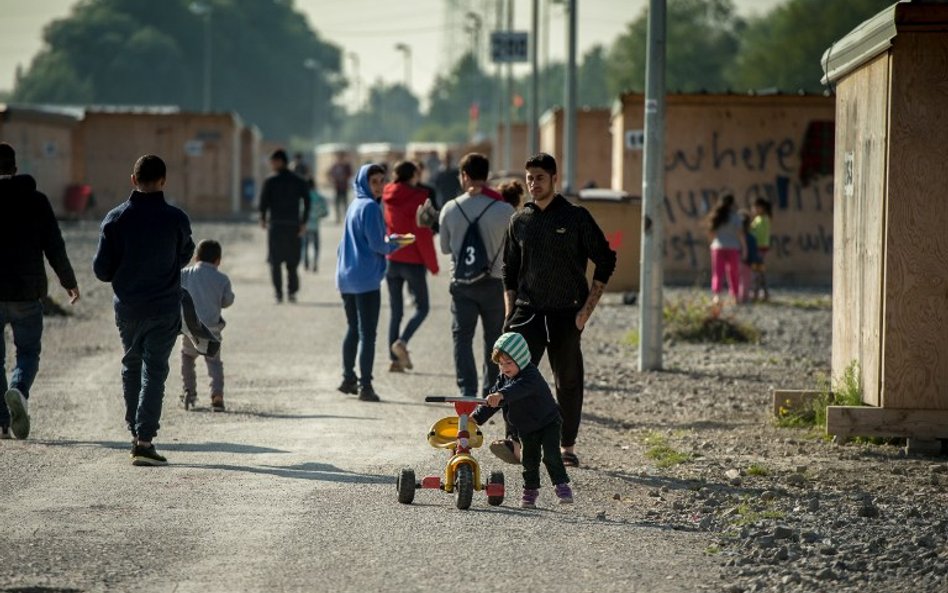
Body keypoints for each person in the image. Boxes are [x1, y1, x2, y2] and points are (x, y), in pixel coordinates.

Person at [502, 152, 617, 468]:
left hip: (567, 313)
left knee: (567, 380)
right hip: (528, 311)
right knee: (514, 371)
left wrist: (586, 312)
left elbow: (606, 259)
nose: (533, 184)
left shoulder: (576, 217)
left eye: (539, 177)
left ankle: (567, 446)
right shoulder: (519, 220)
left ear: (554, 178)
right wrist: (510, 313)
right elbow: (509, 271)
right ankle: (513, 438)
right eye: (529, 178)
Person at [93, 154, 194, 466]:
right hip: (164, 307)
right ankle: (145, 440)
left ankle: (133, 433)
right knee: (155, 370)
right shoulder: (176, 218)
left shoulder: (115, 219)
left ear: (133, 180)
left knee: (132, 365)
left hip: (128, 309)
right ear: (163, 181)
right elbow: (185, 254)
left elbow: (101, 270)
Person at [0, 142, 80, 440]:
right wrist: (68, 280)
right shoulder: (36, 201)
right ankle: (18, 389)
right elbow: (54, 245)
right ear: (15, 168)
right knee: (28, 352)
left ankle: (2, 421)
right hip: (27, 291)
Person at [438, 153, 514, 401]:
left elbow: (446, 248)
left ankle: (467, 390)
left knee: (462, 337)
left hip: (461, 285)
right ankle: (490, 392)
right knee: (494, 339)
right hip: (494, 283)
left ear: (464, 175)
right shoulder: (505, 209)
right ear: (487, 175)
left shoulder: (450, 208)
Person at [336, 163, 413, 402]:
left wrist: (389, 239)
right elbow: (377, 245)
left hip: (347, 277)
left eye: (382, 180)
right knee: (368, 333)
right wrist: (396, 243)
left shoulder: (355, 204)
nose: (380, 186)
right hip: (366, 279)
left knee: (353, 329)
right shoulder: (370, 207)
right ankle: (365, 386)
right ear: (364, 183)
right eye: (375, 182)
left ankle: (348, 378)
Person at [471, 332, 573, 508]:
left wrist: (501, 395)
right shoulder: (504, 378)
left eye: (509, 363)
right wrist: (477, 417)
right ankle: (530, 492)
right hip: (526, 427)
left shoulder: (530, 375)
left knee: (551, 455)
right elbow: (493, 400)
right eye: (501, 364)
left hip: (548, 422)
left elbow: (517, 390)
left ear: (521, 359)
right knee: (529, 460)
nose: (505, 368)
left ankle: (562, 486)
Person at [382, 161, 438, 373]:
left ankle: (394, 361)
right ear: (413, 174)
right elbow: (423, 235)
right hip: (414, 261)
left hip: (393, 259)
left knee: (396, 312)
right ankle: (402, 342)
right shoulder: (418, 198)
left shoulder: (387, 196)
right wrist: (432, 265)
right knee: (422, 308)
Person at [180, 239, 235, 412]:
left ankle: (189, 391)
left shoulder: (185, 274)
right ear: (218, 260)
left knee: (187, 358)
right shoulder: (222, 279)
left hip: (190, 329)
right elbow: (227, 301)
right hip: (212, 330)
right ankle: (217, 396)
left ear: (196, 257)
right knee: (214, 363)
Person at [259, 149, 310, 304]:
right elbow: (308, 201)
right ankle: (292, 292)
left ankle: (279, 293)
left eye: (273, 162)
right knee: (292, 261)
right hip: (293, 225)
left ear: (280, 161)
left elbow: (263, 202)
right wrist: (304, 222)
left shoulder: (270, 181)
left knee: (276, 262)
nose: (272, 165)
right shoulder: (299, 180)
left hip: (276, 225)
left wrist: (263, 218)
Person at [705, 193, 746, 306]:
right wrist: (745, 248)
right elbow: (741, 234)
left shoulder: (717, 215)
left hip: (718, 247)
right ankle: (735, 296)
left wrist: (713, 243)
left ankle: (717, 296)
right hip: (733, 247)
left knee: (718, 273)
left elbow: (711, 232)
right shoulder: (736, 217)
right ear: (732, 203)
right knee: (733, 273)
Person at [302, 180, 329, 272]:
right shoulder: (320, 198)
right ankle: (315, 264)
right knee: (316, 246)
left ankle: (305, 263)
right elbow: (325, 212)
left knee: (305, 245)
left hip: (304, 226)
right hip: (315, 225)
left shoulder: (302, 198)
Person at [750, 197, 772, 301]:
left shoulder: (764, 219)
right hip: (759, 248)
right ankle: (765, 293)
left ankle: (756, 293)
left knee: (757, 272)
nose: (754, 209)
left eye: (756, 207)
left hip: (760, 248)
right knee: (760, 272)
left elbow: (759, 234)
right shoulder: (759, 219)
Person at [738, 211, 761, 304]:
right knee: (746, 280)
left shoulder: (737, 237)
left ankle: (739, 296)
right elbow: (754, 251)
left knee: (739, 280)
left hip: (738, 260)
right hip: (747, 262)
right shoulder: (752, 237)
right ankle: (744, 296)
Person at [328, 151, 353, 224]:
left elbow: (350, 174)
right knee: (337, 203)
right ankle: (338, 218)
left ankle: (346, 217)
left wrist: (345, 178)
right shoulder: (335, 166)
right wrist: (332, 180)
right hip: (337, 187)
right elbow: (329, 173)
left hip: (344, 186)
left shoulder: (346, 166)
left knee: (345, 203)